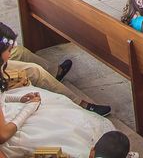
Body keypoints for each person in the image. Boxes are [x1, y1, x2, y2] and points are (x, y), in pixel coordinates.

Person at [0, 23, 114, 157]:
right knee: (60, 131)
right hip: (9, 132)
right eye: (8, 50)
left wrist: (20, 99)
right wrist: (28, 109)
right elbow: (3, 135)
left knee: (62, 114)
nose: (10, 54)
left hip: (7, 112)